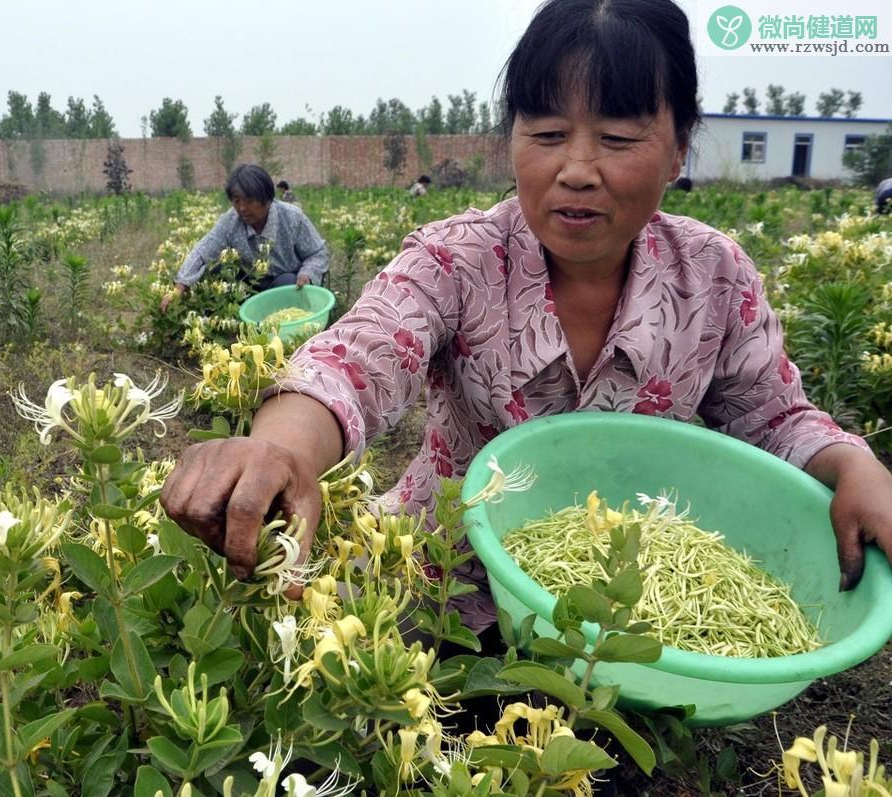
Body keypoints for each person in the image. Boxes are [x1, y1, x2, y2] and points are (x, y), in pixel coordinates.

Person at [161, 0, 892, 629]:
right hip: (441, 579)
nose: (576, 166)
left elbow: (772, 415)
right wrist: (282, 447)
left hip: (625, 608)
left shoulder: (715, 276)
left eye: (617, 137)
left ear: (678, 150)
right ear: (511, 141)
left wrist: (851, 465)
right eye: (546, 134)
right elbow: (356, 357)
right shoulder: (456, 258)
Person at [160, 165, 328, 312]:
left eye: (249, 201)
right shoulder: (230, 221)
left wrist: (307, 274)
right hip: (249, 285)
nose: (242, 208)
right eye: (236, 201)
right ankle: (233, 318)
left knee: (288, 283)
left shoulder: (292, 217)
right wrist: (179, 287)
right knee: (216, 270)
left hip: (285, 282)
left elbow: (318, 253)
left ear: (267, 199)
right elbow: (202, 252)